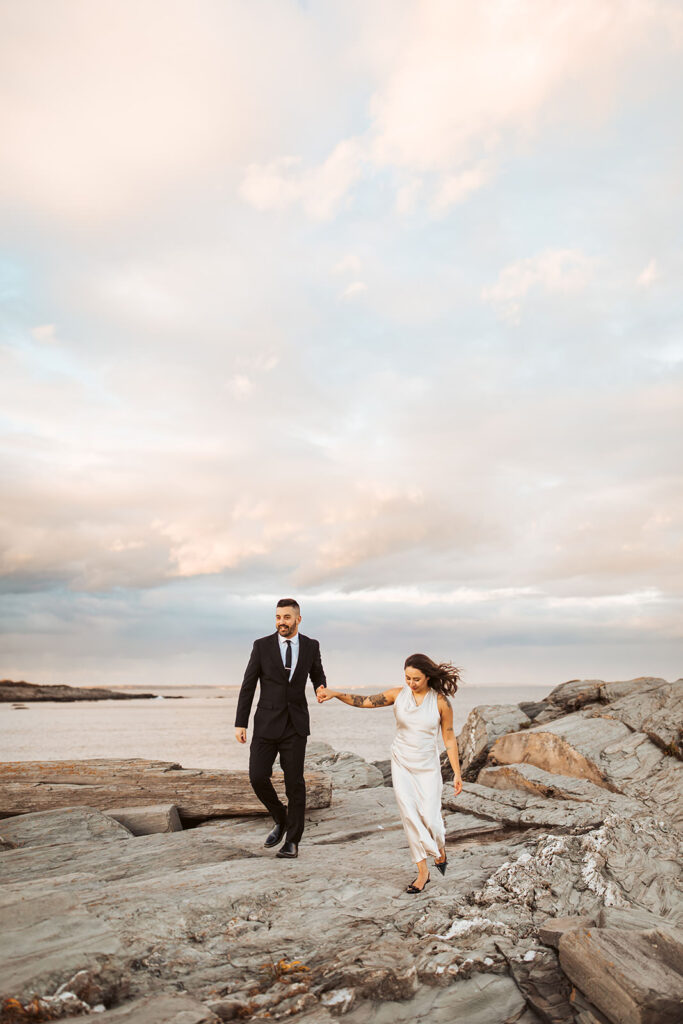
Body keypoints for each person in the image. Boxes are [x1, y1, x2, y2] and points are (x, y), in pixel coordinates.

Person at [316, 653, 462, 892]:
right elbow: (364, 701)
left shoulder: (440, 702)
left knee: (432, 819)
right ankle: (422, 872)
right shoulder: (398, 694)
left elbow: (448, 737)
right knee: (410, 816)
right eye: (407, 678)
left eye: (416, 679)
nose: (411, 683)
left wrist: (457, 772)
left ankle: (439, 849)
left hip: (427, 766)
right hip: (401, 761)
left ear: (428, 677)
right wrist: (336, 693)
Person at [234, 598, 327, 859]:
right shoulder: (261, 646)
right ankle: (280, 817)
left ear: (298, 619)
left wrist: (321, 688)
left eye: (286, 617)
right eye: (277, 617)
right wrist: (240, 722)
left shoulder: (311, 645)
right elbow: (248, 685)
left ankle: (293, 841)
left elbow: (317, 673)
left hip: (295, 725)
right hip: (265, 723)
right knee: (257, 776)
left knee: (295, 784)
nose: (281, 622)